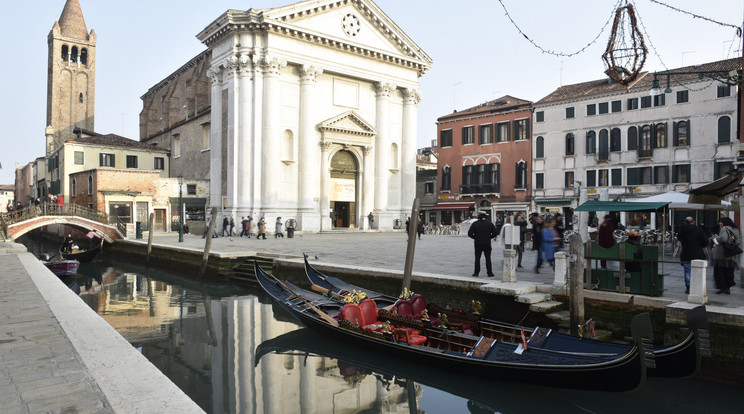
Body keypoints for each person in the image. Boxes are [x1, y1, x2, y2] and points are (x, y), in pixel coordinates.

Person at [676, 217, 708, 294]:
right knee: (698, 270)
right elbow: (705, 241)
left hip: (686, 252)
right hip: (697, 253)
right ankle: (697, 287)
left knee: (687, 271)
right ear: (693, 222)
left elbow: (679, 238)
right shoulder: (699, 230)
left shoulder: (681, 230)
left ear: (685, 222)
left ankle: (688, 287)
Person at [711, 217, 740, 294]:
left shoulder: (724, 228)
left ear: (725, 222)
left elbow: (723, 238)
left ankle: (723, 287)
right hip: (732, 253)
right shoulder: (735, 229)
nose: (720, 223)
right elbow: (738, 240)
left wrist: (715, 239)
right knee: (729, 271)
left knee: (720, 271)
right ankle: (727, 287)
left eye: (721, 222)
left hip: (722, 253)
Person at [467, 213, 498, 277]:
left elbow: (470, 234)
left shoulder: (475, 224)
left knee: (477, 258)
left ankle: (476, 272)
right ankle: (489, 273)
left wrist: (475, 237)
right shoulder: (489, 223)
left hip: (478, 243)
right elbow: (495, 233)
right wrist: (489, 237)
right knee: (488, 258)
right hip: (487, 243)